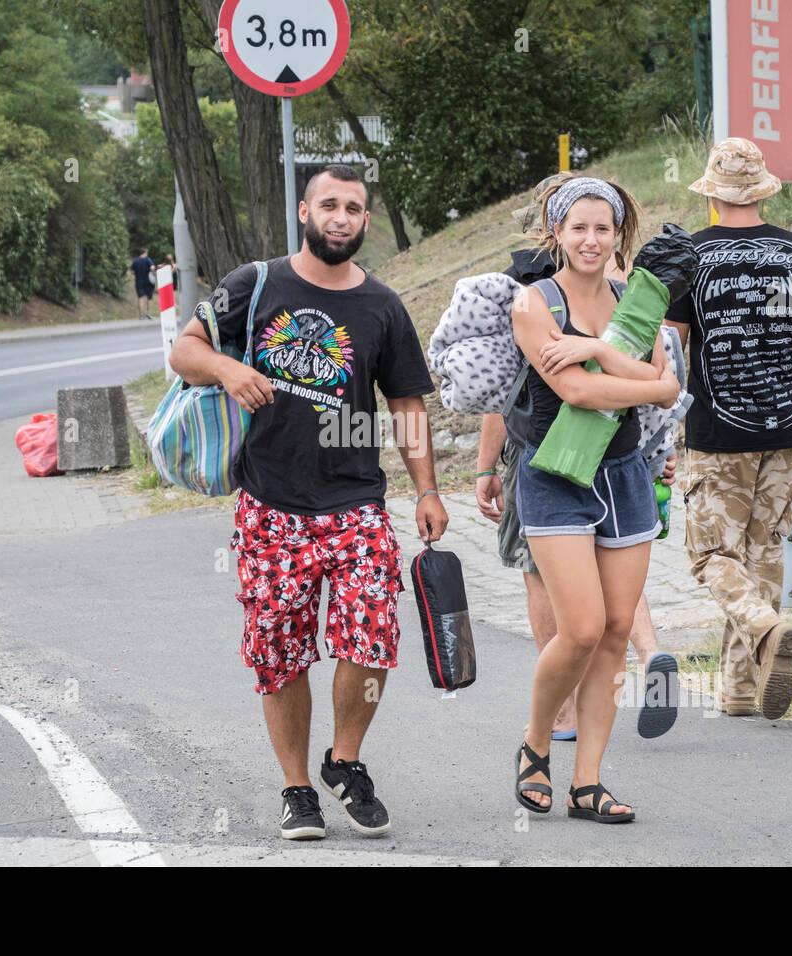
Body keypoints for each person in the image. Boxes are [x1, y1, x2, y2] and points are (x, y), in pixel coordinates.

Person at [168, 163, 449, 842]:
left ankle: (344, 762)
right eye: (330, 205)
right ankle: (297, 789)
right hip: (270, 502)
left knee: (372, 633)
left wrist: (428, 490)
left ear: (365, 222)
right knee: (278, 651)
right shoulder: (255, 284)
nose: (342, 217)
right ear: (305, 211)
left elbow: (406, 404)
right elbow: (184, 350)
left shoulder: (382, 306)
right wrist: (230, 368)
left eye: (354, 208)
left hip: (354, 502)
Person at [477, 176, 680, 742]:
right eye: (579, 227)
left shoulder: (634, 300)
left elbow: (662, 384)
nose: (591, 238)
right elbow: (587, 393)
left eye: (602, 227)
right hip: (562, 459)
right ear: (556, 229)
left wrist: (594, 350)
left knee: (570, 599)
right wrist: (649, 385)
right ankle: (645, 655)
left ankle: (574, 732)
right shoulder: (536, 298)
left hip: (607, 464)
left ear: (617, 233)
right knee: (589, 620)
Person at [665, 137, 792, 720]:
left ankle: (766, 630)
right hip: (788, 425)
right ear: (762, 189)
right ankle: (741, 692)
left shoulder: (691, 257)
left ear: (712, 194)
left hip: (716, 432)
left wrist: (657, 432)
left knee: (712, 555)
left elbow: (670, 350)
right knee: (764, 552)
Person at [130, 247, 155, 320]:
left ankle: (141, 316)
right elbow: (152, 268)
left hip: (139, 282)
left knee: (140, 298)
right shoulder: (148, 259)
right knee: (149, 298)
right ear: (145, 253)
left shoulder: (135, 261)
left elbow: (132, 272)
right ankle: (149, 314)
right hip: (148, 282)